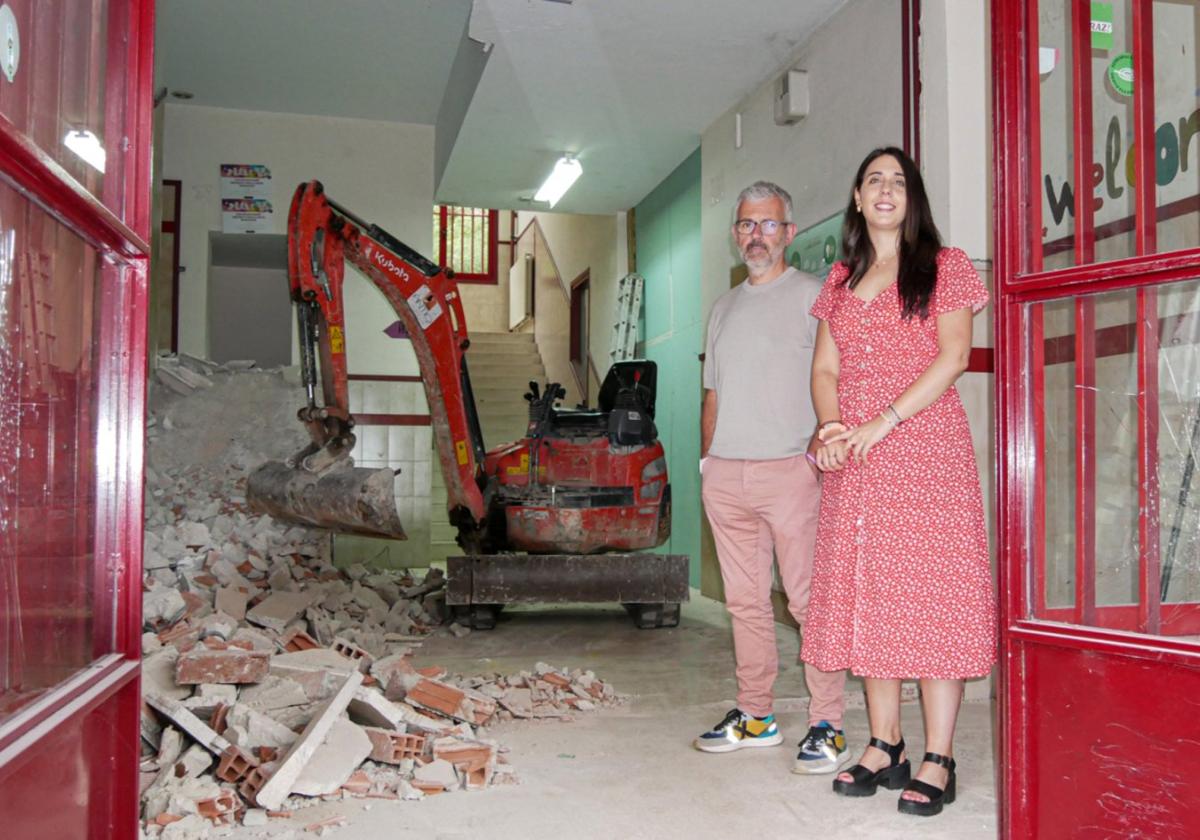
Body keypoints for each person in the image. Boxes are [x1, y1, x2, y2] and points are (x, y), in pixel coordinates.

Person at [801, 147, 996, 817]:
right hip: (855, 458)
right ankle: (886, 743)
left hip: (926, 454)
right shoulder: (841, 278)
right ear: (856, 198)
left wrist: (881, 422)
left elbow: (955, 356)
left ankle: (940, 755)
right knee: (871, 596)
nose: (886, 190)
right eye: (874, 180)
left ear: (912, 199)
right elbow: (825, 369)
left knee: (932, 599)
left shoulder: (945, 267)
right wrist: (830, 427)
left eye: (898, 181)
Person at [693, 180, 849, 775]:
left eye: (767, 224)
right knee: (745, 604)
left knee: (809, 603)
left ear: (788, 233)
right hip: (726, 476)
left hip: (791, 472)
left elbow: (839, 379)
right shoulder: (723, 308)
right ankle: (755, 716)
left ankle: (827, 723)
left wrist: (815, 449)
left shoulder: (817, 297)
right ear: (736, 234)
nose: (755, 235)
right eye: (746, 225)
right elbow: (712, 394)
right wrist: (707, 460)